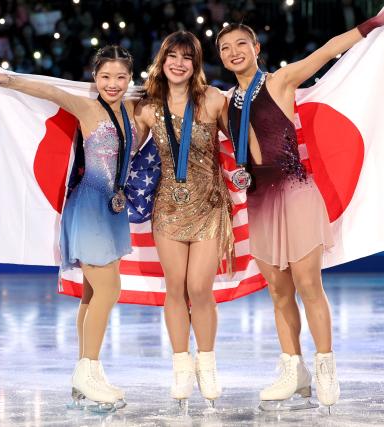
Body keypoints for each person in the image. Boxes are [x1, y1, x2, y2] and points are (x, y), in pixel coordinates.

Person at [216, 8, 384, 411]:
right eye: (225, 48)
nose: (233, 52)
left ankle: (325, 366)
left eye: (240, 44)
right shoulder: (222, 101)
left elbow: (328, 51)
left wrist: (372, 24)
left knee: (307, 284)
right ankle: (292, 370)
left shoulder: (280, 81)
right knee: (279, 292)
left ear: (256, 48)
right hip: (260, 198)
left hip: (296, 191)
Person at [0, 45, 137, 412]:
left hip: (113, 208)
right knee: (109, 289)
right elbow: (52, 92)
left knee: (92, 294)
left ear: (130, 78)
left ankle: (87, 371)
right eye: (105, 76)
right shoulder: (88, 107)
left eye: (120, 77)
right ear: (95, 78)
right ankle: (87, 371)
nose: (113, 84)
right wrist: (10, 80)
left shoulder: (132, 108)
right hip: (89, 205)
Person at [134, 31, 232, 408]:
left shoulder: (211, 99)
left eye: (186, 57)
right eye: (172, 55)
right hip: (168, 209)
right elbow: (128, 148)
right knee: (174, 287)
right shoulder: (146, 107)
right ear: (162, 60)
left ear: (196, 65)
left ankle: (206, 363)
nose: (178, 63)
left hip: (208, 206)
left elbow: (240, 140)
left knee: (199, 288)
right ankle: (180, 365)